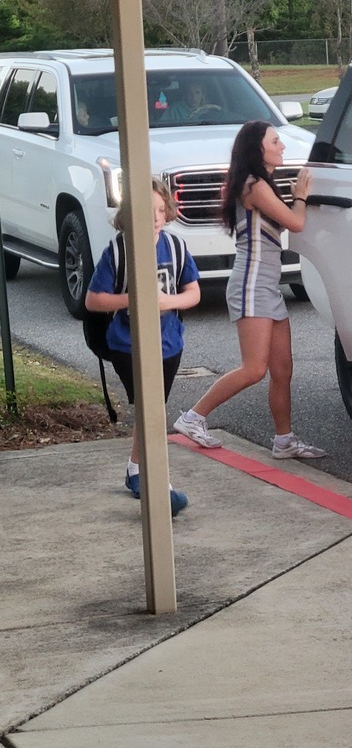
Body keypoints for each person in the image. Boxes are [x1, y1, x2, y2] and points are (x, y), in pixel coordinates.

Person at [173, 119, 326, 460]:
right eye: (276, 141)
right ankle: (193, 417)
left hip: (268, 286)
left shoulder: (261, 183)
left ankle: (284, 440)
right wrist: (301, 196)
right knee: (254, 368)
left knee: (282, 369)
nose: (282, 146)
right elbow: (296, 222)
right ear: (258, 148)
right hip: (251, 284)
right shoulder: (254, 185)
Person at [85, 178, 202, 516]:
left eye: (161, 210)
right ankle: (158, 485)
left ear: (168, 213)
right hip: (128, 344)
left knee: (152, 408)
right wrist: (133, 299)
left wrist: (167, 302)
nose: (154, 217)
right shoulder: (119, 251)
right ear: (130, 214)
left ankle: (136, 470)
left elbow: (193, 293)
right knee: (151, 409)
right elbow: (93, 300)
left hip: (168, 344)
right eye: (146, 210)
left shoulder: (176, 247)